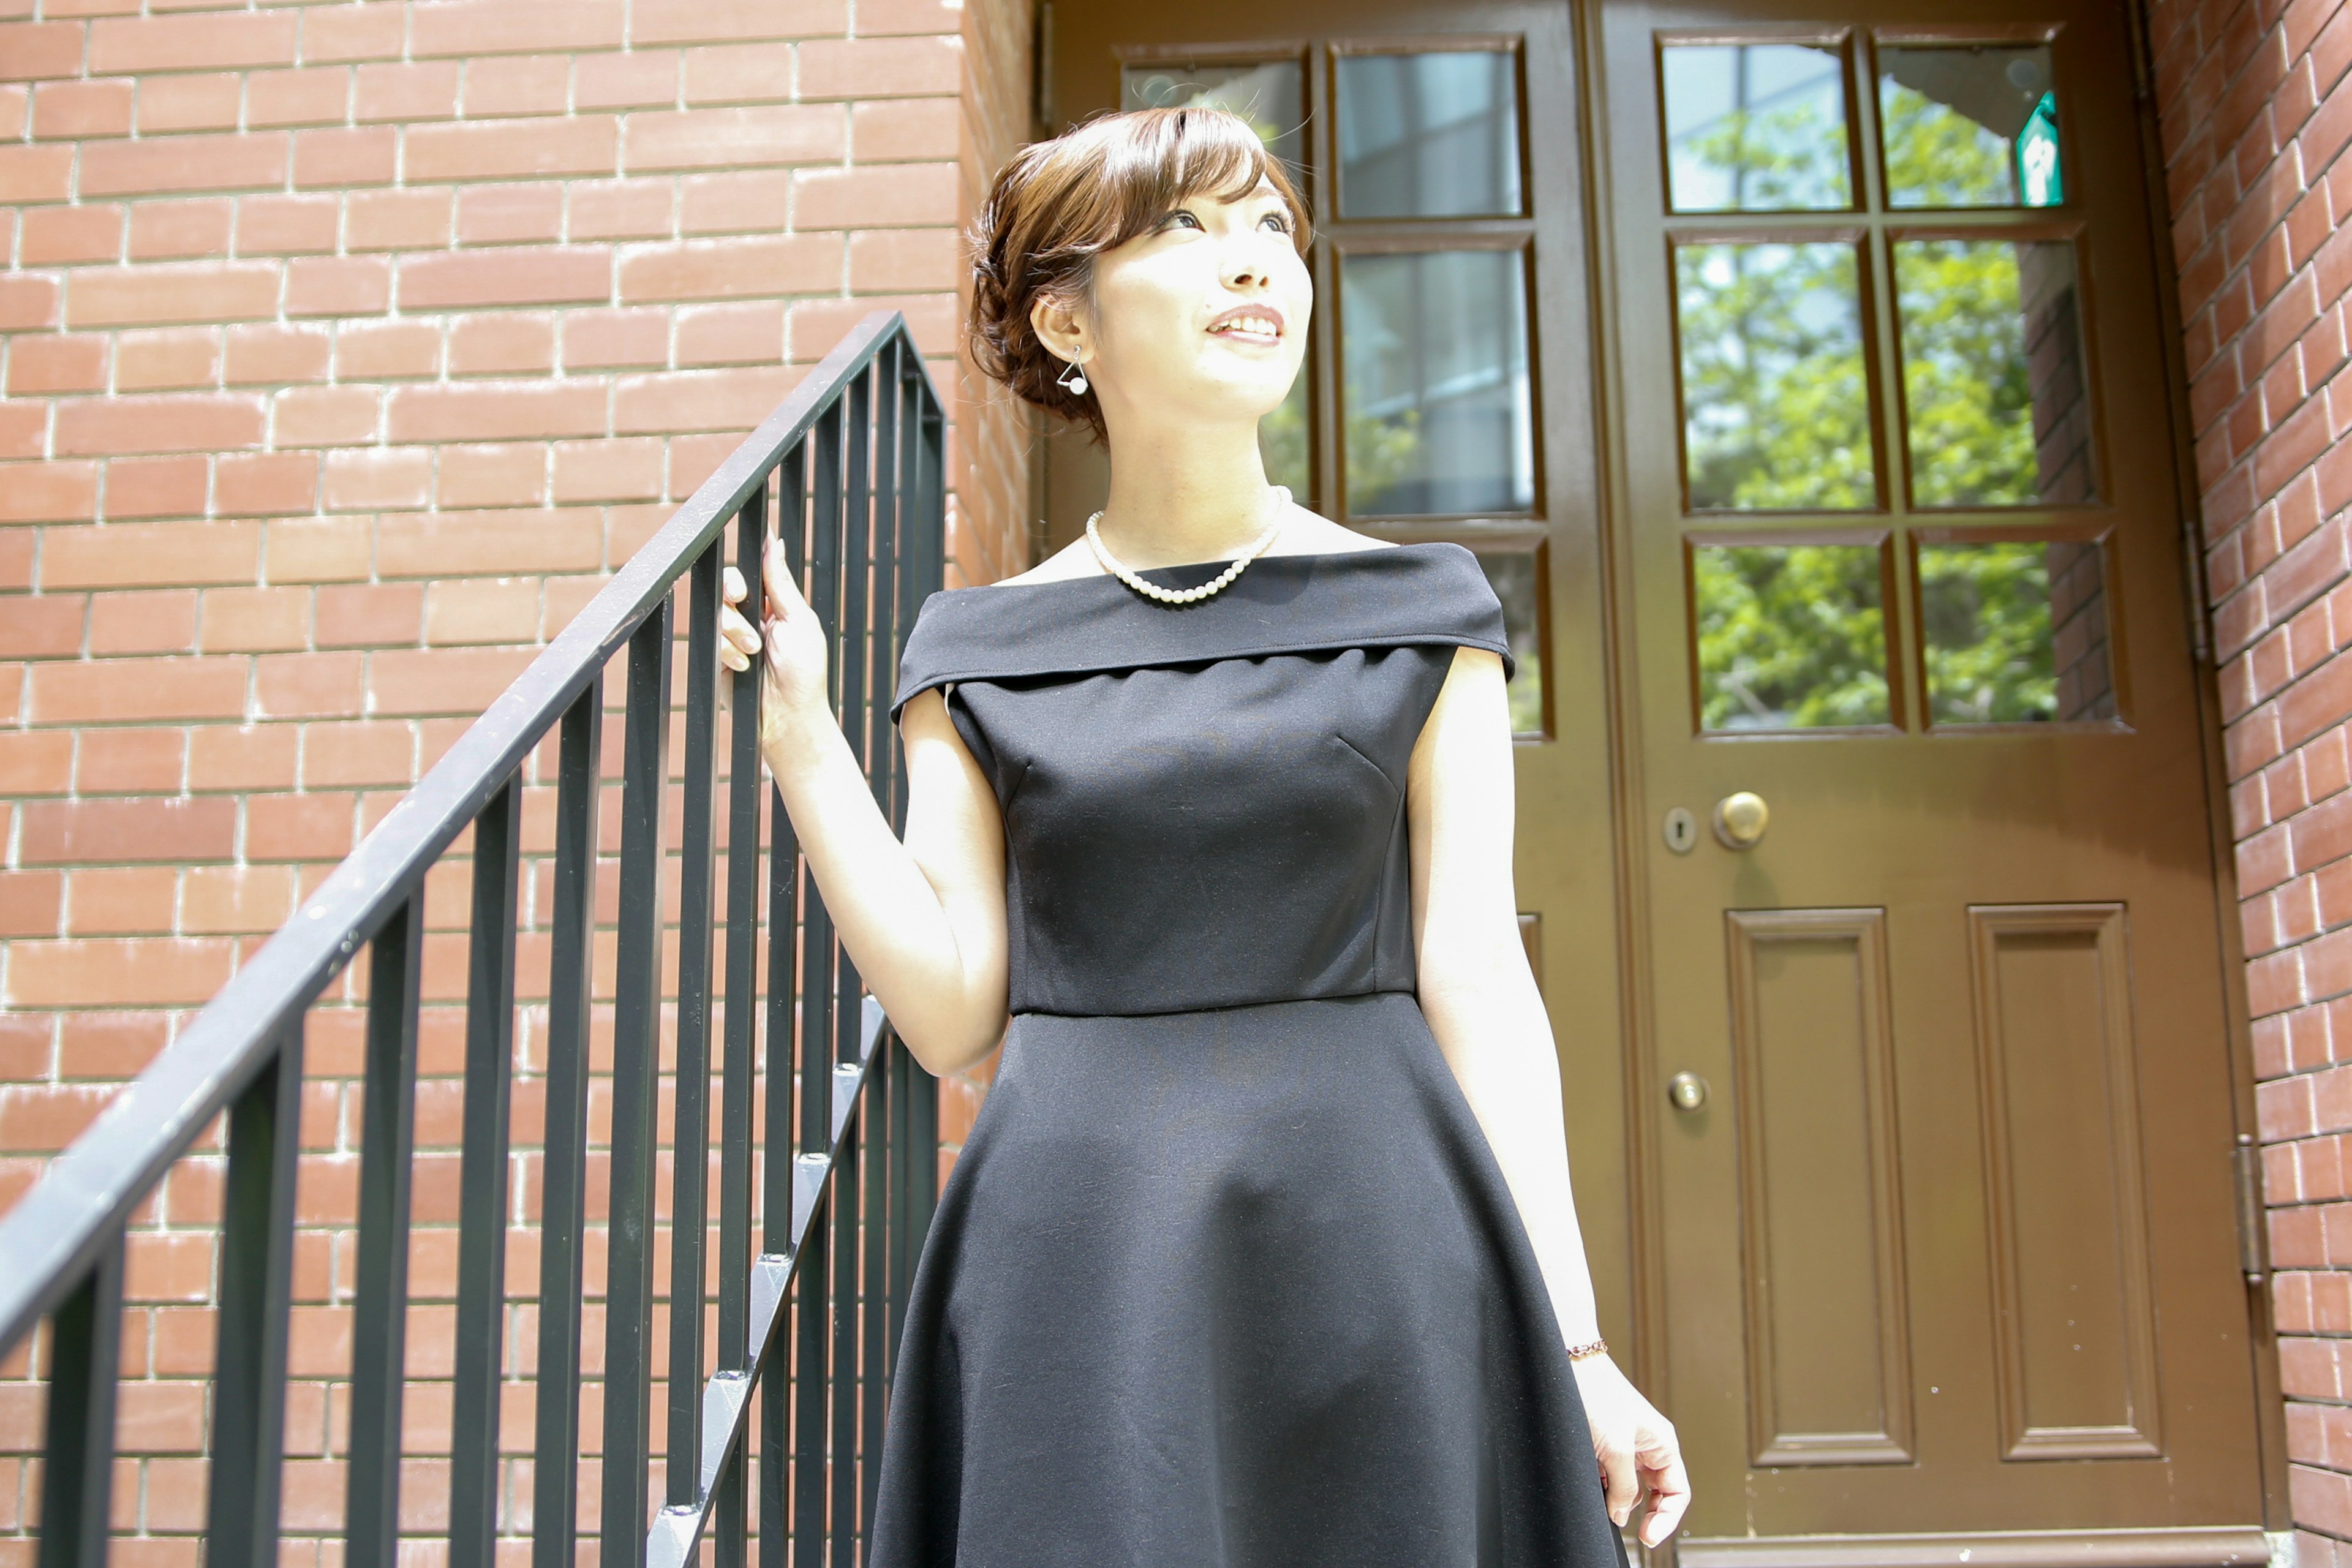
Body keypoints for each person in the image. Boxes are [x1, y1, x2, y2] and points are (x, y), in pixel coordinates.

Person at [715, 104, 1689, 1567]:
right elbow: (950, 1009)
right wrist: (801, 737)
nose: (1256, 268)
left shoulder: (1427, 611)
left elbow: (1479, 977)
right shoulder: (977, 648)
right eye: (1189, 232)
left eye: (1274, 235)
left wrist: (1577, 1340)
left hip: (1378, 1224)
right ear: (1068, 319)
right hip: (1081, 1254)